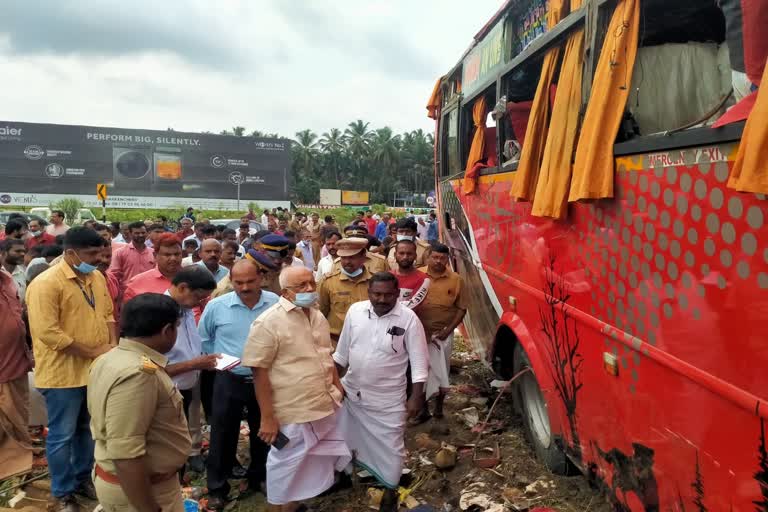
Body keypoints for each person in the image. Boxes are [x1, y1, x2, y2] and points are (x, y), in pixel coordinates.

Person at [243, 267, 349, 511]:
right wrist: (267, 419)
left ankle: (293, 507)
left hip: (322, 403)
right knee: (284, 468)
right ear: (285, 292)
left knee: (307, 465)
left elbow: (326, 355)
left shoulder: (317, 316)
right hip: (292, 411)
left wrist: (338, 386)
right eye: (301, 286)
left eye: (311, 282)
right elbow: (258, 372)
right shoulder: (269, 322)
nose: (310, 289)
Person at [26, 227, 116, 512]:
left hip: (95, 371)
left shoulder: (96, 277)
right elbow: (48, 333)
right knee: (61, 434)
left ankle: (82, 479)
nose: (98, 259)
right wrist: (92, 352)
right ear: (70, 253)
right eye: (91, 254)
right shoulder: (45, 284)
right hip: (61, 375)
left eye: (100, 253)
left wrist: (111, 345)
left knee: (87, 430)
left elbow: (108, 314)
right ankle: (63, 492)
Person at [333, 272, 429, 512]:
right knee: (343, 438)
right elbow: (341, 354)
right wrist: (331, 383)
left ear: (397, 294)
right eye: (376, 293)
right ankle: (343, 477)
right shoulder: (355, 312)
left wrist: (416, 397)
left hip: (389, 401)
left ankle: (390, 491)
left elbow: (419, 364)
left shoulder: (408, 319)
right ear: (369, 293)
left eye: (388, 294)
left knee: (392, 449)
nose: (382, 299)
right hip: (353, 395)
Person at [87, 294, 190, 512]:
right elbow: (126, 453)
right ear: (167, 331)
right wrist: (148, 508)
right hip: (143, 492)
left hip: (142, 486)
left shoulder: (114, 357)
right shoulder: (138, 374)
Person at [199, 260, 280, 509]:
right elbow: (205, 339)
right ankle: (217, 487)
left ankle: (261, 477)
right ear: (231, 281)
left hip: (267, 380)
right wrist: (222, 364)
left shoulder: (276, 304)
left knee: (265, 430)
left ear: (261, 278)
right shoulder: (217, 306)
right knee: (222, 432)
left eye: (250, 281)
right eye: (238, 282)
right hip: (229, 379)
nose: (245, 287)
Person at [164, 267, 220, 474]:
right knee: (170, 434)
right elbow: (150, 364)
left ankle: (189, 457)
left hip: (189, 380)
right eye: (199, 297)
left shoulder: (185, 310)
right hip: (169, 386)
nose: (200, 303)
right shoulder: (159, 312)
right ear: (183, 288)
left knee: (189, 421)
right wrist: (194, 364)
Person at [417, 243, 467, 419]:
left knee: (442, 371)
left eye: (442, 258)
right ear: (428, 257)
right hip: (419, 335)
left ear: (447, 259)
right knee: (420, 372)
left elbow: (461, 309)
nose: (438, 261)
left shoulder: (456, 280)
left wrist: (449, 330)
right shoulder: (418, 276)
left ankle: (439, 408)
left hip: (443, 335)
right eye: (435, 257)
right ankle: (422, 409)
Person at [0, 240, 34, 481]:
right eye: (17, 252)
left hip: (17, 358)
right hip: (3, 363)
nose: (22, 255)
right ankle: (12, 460)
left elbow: (18, 318)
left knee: (17, 409)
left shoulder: (8, 281)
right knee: (7, 411)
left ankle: (20, 453)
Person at [318, 237, 373, 341]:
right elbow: (320, 314)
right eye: (343, 257)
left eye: (352, 257)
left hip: (367, 341)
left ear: (363, 257)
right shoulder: (328, 282)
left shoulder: (375, 282)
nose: (347, 261)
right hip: (336, 341)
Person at [123, 234, 184, 304]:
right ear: (155, 255)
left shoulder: (192, 278)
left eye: (177, 254)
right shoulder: (137, 283)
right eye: (167, 255)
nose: (173, 258)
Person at [109, 222, 156, 295]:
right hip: (128, 294)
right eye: (137, 233)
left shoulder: (153, 253)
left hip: (149, 294)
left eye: (143, 232)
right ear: (130, 234)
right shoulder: (120, 252)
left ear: (147, 234)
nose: (140, 235)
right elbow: (114, 275)